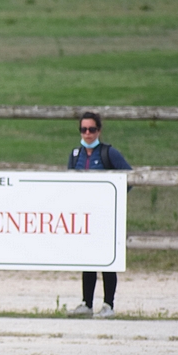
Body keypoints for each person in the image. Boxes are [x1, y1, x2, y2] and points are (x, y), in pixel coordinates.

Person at [66, 111, 132, 319]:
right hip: (85, 215)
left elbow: (129, 177)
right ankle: (86, 303)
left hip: (105, 214)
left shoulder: (108, 153)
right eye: (83, 129)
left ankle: (108, 304)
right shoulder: (75, 155)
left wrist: (114, 198)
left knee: (106, 260)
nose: (87, 133)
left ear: (99, 131)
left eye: (91, 129)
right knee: (87, 259)